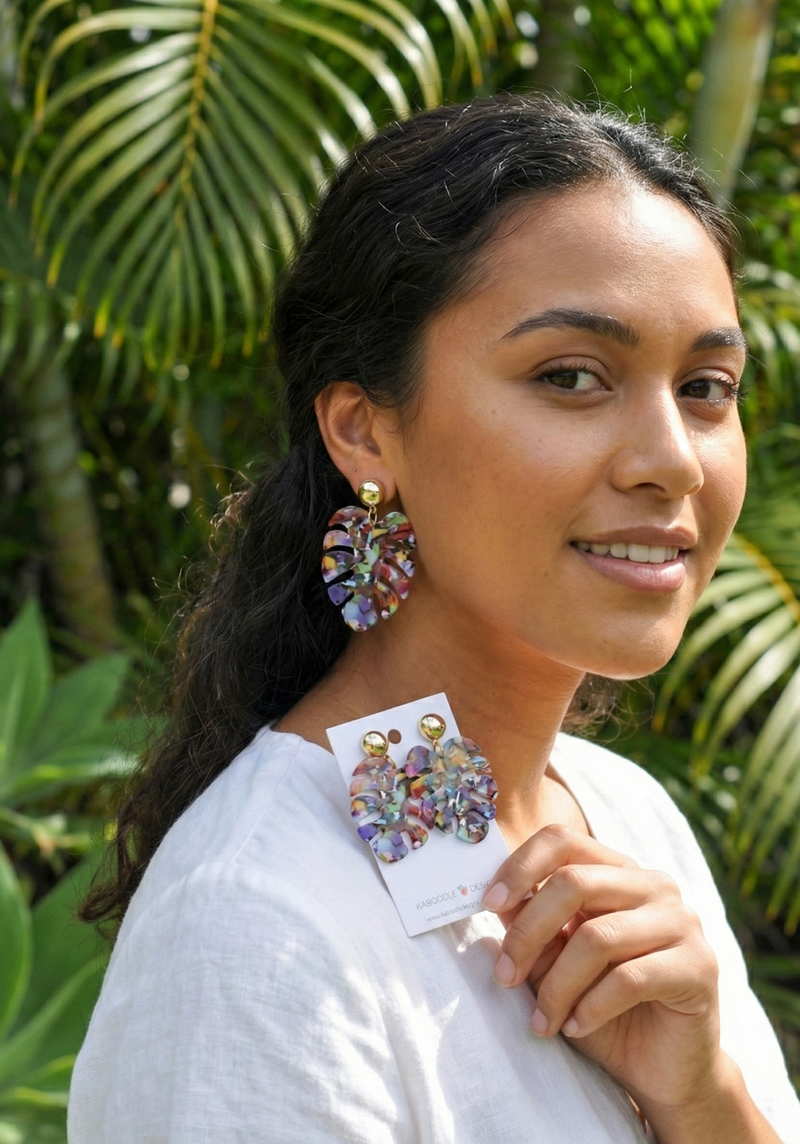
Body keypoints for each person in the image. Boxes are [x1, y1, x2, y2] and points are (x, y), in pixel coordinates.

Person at [68, 96, 800, 1143]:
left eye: (704, 385)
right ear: (363, 430)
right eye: (570, 376)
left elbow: (447, 913)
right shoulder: (255, 924)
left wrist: (698, 1097)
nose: (672, 458)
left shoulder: (615, 819)